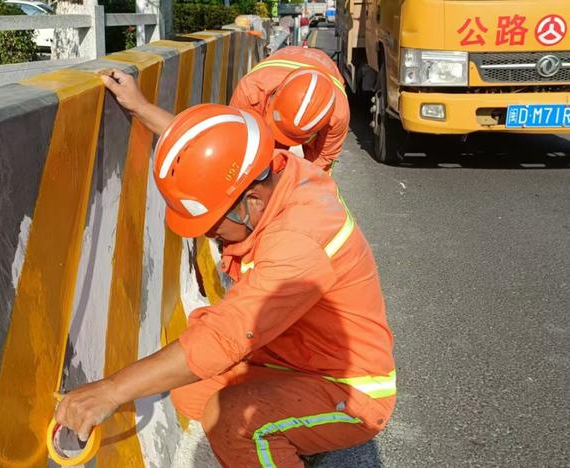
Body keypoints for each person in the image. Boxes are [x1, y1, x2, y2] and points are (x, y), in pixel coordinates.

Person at [54, 103, 396, 467]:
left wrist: (110, 391)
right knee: (190, 394)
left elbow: (225, 336)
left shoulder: (300, 237)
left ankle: (288, 436)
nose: (207, 232)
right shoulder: (274, 174)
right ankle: (297, 440)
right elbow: (215, 156)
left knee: (232, 420)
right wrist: (140, 105)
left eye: (212, 222)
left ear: (251, 201)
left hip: (353, 388)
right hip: (296, 357)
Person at [100, 45, 349, 172]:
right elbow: (234, 147)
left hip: (324, 77)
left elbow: (322, 163)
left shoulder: (337, 115)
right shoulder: (253, 89)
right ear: (270, 98)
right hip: (279, 71)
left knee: (311, 180)